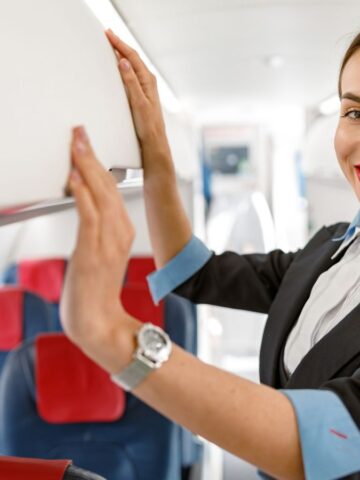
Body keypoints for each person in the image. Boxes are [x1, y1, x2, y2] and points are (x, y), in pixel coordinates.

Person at [60, 30, 360, 480]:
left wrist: (115, 335)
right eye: (354, 111)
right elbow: (195, 272)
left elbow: (319, 440)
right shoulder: (331, 248)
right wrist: (157, 154)